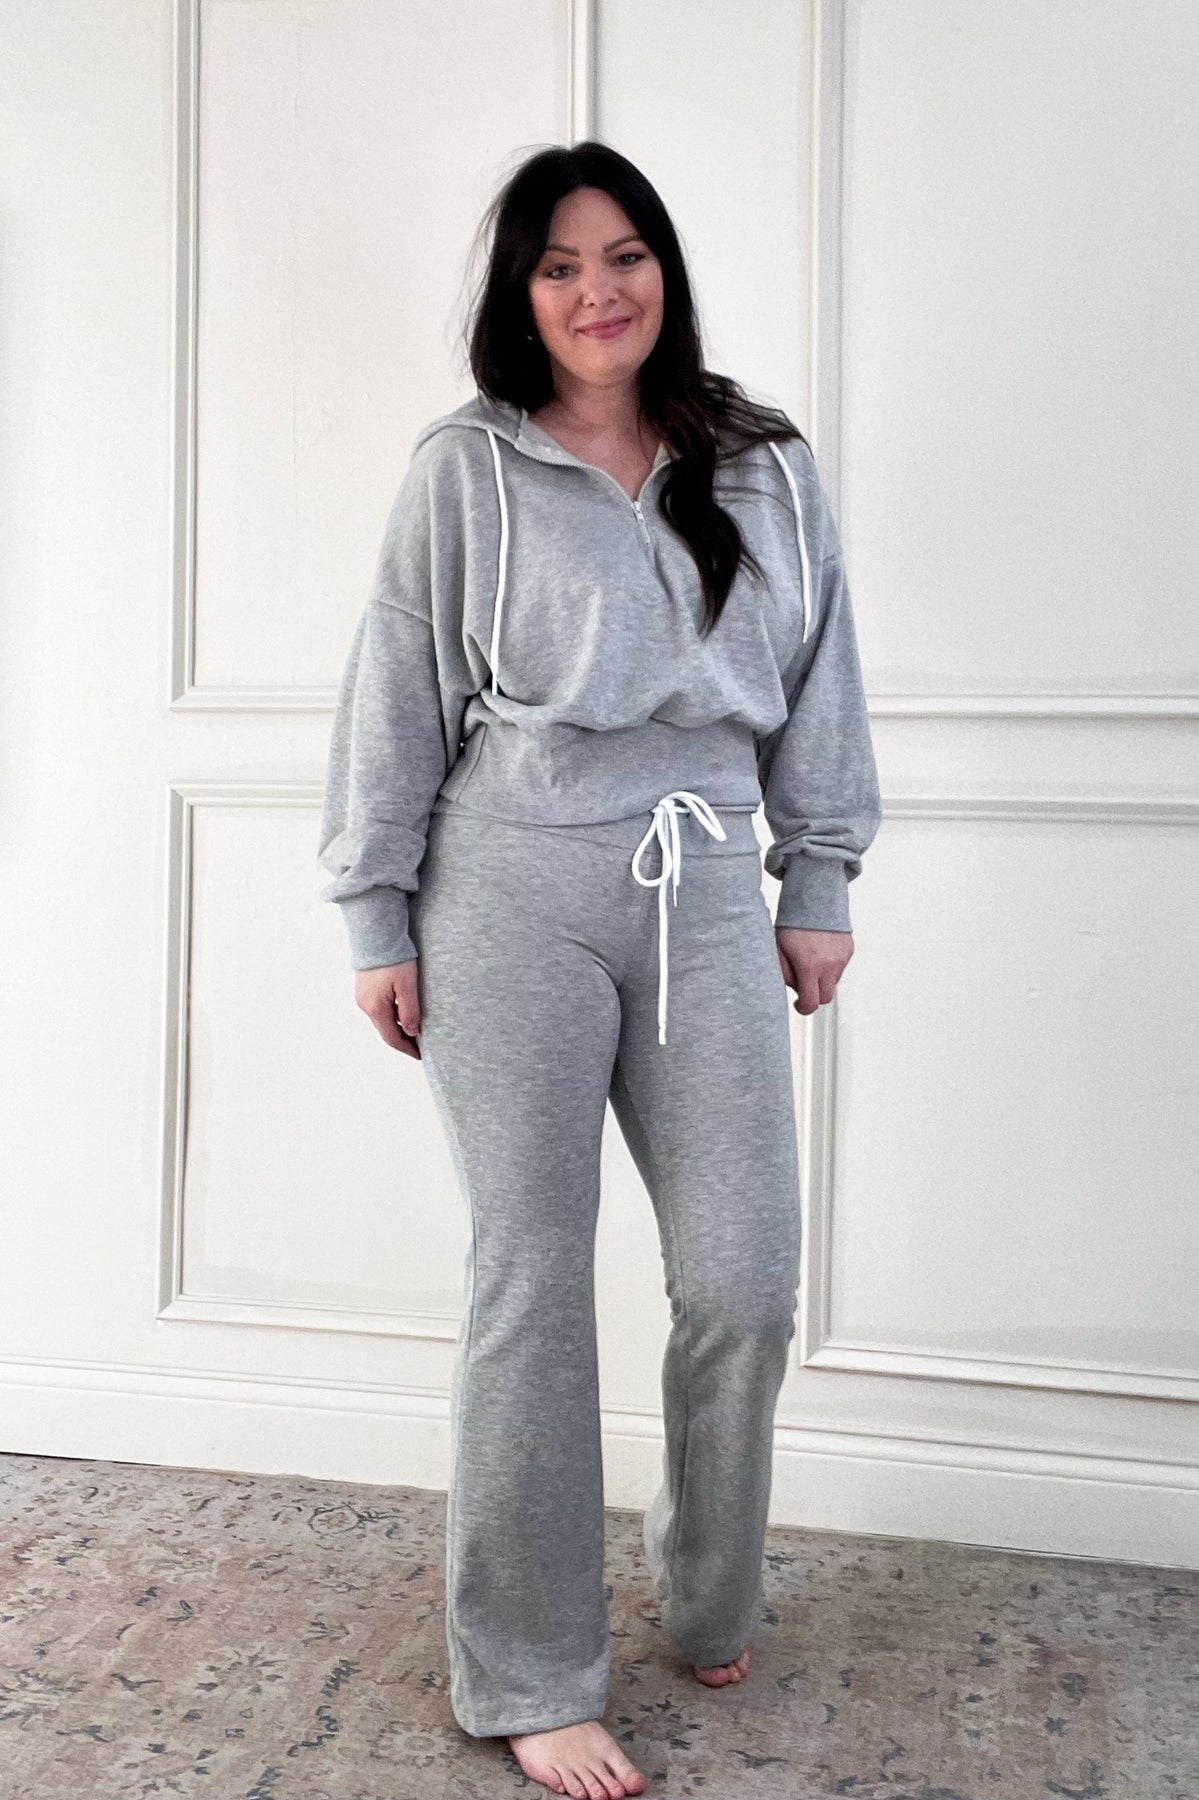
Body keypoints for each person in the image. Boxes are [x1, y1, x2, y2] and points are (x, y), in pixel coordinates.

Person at [317, 140, 882, 1800]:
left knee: (744, 1278)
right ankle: (530, 1668)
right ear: (522, 291)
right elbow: (396, 687)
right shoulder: (466, 467)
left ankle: (706, 1586)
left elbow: (824, 673)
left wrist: (818, 877)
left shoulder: (760, 463)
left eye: (625, 255)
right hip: (508, 891)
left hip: (703, 886)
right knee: (531, 1277)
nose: (597, 290)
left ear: (664, 271)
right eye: (559, 265)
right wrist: (375, 915)